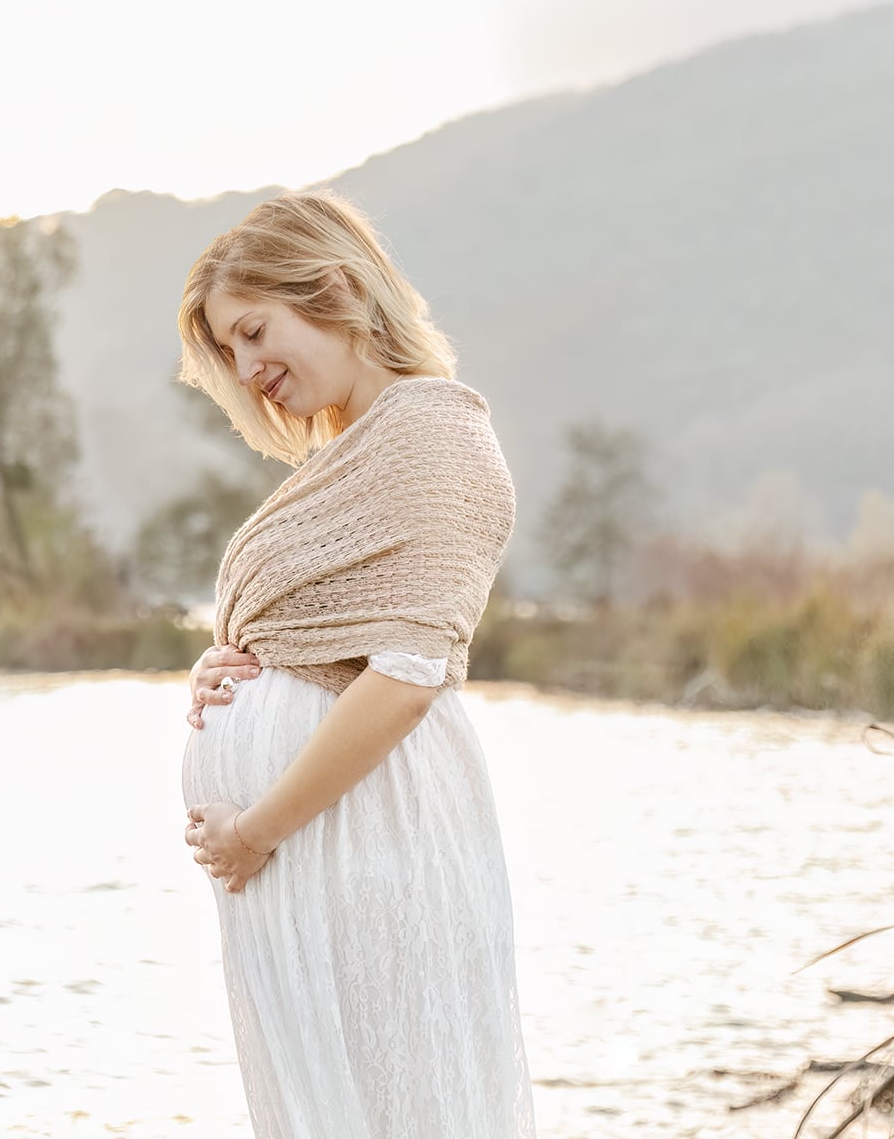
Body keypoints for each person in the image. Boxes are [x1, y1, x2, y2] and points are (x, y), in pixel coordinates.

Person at [173, 188, 535, 1136]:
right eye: (231, 351)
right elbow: (324, 638)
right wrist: (229, 668)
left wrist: (255, 830)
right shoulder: (356, 450)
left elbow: (409, 676)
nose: (249, 369)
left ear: (332, 290)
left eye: (254, 333)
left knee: (396, 1109)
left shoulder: (434, 433)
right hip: (311, 851)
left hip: (367, 841)